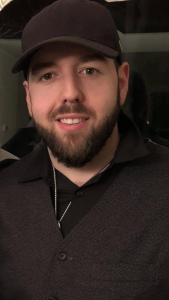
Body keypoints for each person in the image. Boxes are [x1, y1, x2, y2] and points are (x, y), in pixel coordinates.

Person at [0, 0, 169, 299]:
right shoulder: (4, 188)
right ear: (28, 97)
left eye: (89, 70)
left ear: (121, 83)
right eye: (47, 75)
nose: (70, 94)